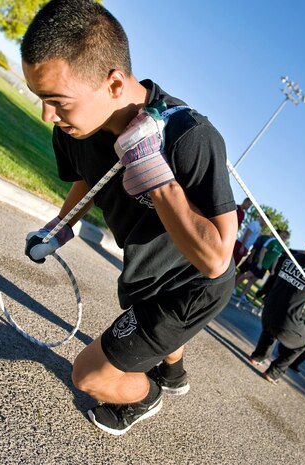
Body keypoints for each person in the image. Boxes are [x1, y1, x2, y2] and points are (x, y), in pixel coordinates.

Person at [20, 0, 237, 436]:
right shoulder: (73, 127)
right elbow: (88, 182)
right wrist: (58, 229)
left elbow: (216, 258)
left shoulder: (189, 136)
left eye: (57, 101)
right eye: (41, 99)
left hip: (192, 287)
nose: (48, 114)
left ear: (114, 83)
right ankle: (171, 376)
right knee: (149, 323)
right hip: (146, 275)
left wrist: (154, 174)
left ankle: (147, 397)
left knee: (89, 375)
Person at [247, 233, 305, 383]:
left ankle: (257, 356)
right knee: (303, 342)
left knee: (270, 331)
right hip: (285, 322)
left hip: (268, 312)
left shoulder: (291, 258)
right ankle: (273, 372)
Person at [235, 230, 289, 305]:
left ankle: (242, 295)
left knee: (252, 281)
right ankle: (233, 288)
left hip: (265, 267)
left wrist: (272, 269)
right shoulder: (272, 240)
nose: (284, 238)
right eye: (283, 235)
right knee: (246, 276)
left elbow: (276, 258)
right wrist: (260, 262)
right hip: (259, 263)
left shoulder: (281, 247)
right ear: (279, 234)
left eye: (285, 237)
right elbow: (263, 250)